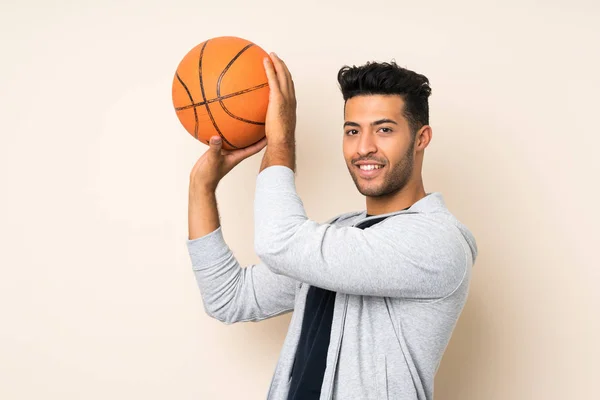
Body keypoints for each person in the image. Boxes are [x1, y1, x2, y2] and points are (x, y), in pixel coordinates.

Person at [186, 53, 478, 400]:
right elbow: (230, 298)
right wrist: (200, 188)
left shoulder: (437, 241)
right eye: (352, 131)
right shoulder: (343, 235)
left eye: (384, 130)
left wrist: (280, 139)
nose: (364, 147)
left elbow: (279, 242)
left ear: (421, 138)